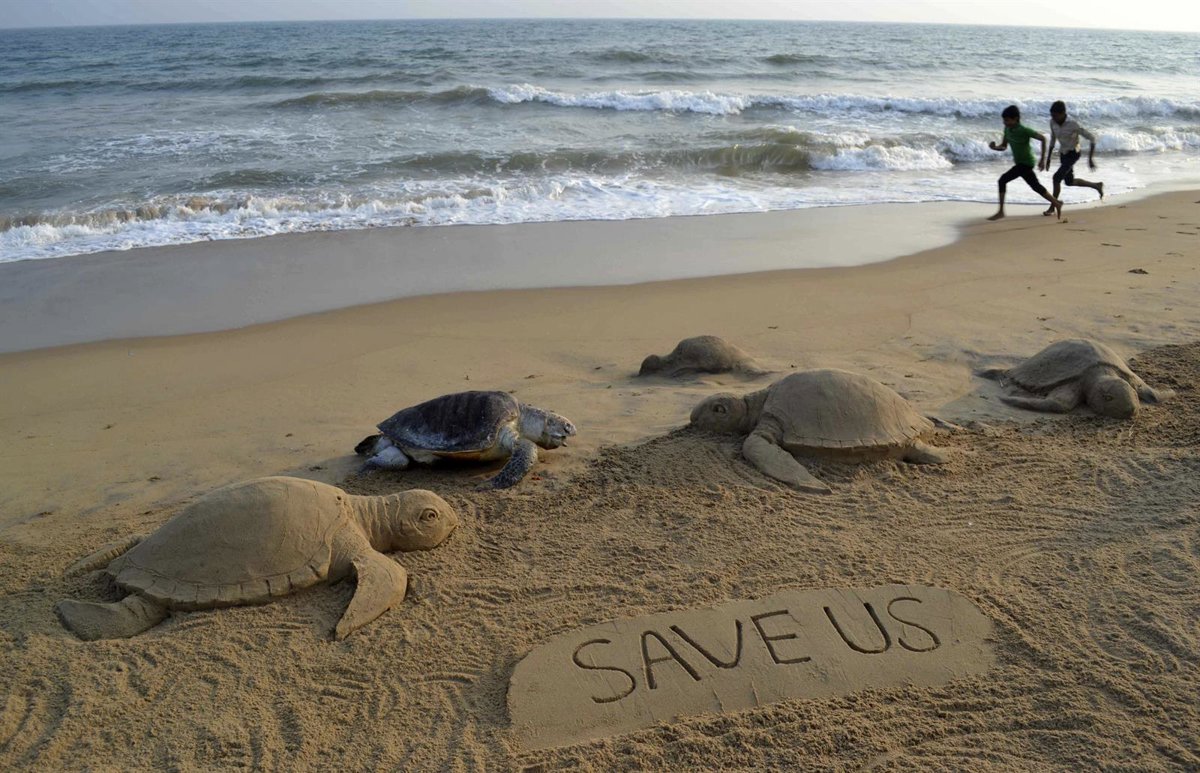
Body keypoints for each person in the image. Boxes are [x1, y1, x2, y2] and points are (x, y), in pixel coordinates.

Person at [987, 104, 1061, 221]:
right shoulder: (1007, 130)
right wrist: (994, 147)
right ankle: (1056, 203)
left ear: (1016, 119)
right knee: (1035, 186)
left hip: (1026, 163)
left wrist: (1042, 159)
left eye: (1007, 120)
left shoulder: (1024, 130)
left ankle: (1001, 212)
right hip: (1020, 163)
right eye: (1004, 120)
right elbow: (1004, 146)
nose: (1005, 123)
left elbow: (1043, 138)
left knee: (1002, 180)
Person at [1043, 99, 1103, 215]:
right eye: (1052, 115)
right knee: (1069, 182)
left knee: (1056, 178)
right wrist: (1048, 158)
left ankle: (1053, 206)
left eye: (1055, 116)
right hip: (1063, 154)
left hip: (1073, 153)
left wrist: (1090, 158)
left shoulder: (1073, 124)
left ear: (1063, 113)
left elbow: (1092, 138)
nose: (1053, 118)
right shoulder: (1052, 122)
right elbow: (1053, 139)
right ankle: (1096, 185)